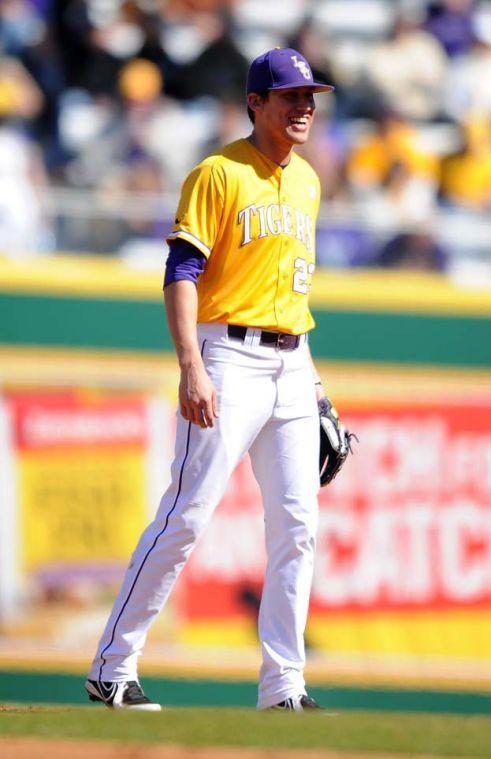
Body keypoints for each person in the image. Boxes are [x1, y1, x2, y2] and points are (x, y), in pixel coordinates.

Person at [86, 47, 336, 712]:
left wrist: (315, 389)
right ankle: (113, 663)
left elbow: (293, 294)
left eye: (309, 96)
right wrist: (190, 364)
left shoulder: (308, 182)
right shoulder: (218, 172)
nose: (304, 106)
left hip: (291, 363)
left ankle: (285, 685)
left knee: (298, 526)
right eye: (290, 96)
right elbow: (181, 272)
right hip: (227, 356)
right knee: (187, 515)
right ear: (256, 103)